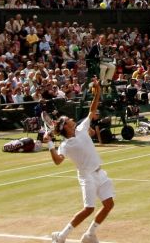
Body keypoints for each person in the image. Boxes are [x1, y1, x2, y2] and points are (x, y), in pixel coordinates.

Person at [49, 79, 115, 243]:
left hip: (100, 173)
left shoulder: (81, 128)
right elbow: (58, 161)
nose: (71, 118)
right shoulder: (65, 145)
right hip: (86, 176)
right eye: (68, 119)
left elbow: (92, 110)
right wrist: (50, 144)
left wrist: (97, 91)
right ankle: (61, 236)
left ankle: (89, 235)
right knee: (88, 209)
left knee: (109, 204)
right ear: (65, 126)